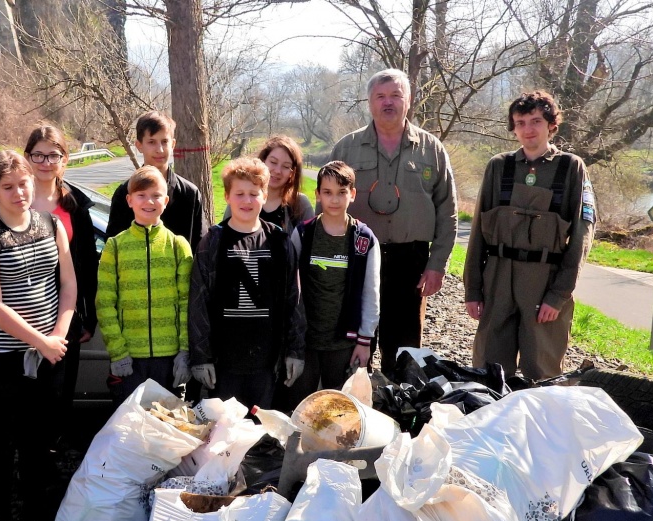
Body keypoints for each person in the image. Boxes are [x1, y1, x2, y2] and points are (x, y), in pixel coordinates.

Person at [0, 150, 76, 521]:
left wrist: (58, 335)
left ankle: (36, 519)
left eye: (24, 183)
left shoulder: (51, 224)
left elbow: (68, 285)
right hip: (2, 355)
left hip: (49, 351)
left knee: (39, 440)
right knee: (3, 438)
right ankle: (1, 519)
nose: (19, 193)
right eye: (8, 186)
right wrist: (40, 341)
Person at [329, 68, 457, 376]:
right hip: (357, 257)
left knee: (403, 350)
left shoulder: (431, 149)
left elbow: (448, 211)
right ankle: (353, 399)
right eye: (380, 96)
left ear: (408, 101)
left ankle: (399, 399)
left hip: (410, 260)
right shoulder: (346, 148)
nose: (388, 102)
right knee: (352, 344)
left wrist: (437, 265)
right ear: (370, 102)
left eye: (396, 96)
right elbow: (327, 205)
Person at [464, 91, 596, 380]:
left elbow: (582, 237)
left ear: (551, 124)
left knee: (543, 373)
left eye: (536, 121)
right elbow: (477, 235)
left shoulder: (571, 168)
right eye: (520, 123)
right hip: (498, 279)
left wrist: (558, 295)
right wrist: (472, 290)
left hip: (544, 281)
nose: (528, 129)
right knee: (488, 371)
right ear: (513, 127)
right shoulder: (498, 166)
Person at [189, 157, 305, 410]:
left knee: (261, 427)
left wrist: (295, 351)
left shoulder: (279, 241)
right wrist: (201, 357)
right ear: (227, 197)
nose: (247, 200)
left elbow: (293, 299)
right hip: (223, 363)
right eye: (239, 194)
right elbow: (199, 303)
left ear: (265, 196)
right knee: (225, 430)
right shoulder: (212, 242)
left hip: (267, 362)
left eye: (254, 194)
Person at [97, 165, 193, 402]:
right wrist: (117, 352)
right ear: (129, 200)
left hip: (169, 359)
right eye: (141, 195)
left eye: (156, 195)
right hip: (129, 358)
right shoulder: (115, 247)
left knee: (167, 422)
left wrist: (184, 351)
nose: (149, 201)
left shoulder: (178, 246)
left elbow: (187, 303)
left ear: (166, 201)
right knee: (129, 422)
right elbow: (105, 302)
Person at [287, 161, 381, 401]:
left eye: (341, 192)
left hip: (344, 343)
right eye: (327, 192)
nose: (335, 200)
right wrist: (290, 341)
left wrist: (365, 341)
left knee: (339, 407)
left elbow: (371, 293)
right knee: (301, 405)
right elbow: (290, 289)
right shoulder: (303, 233)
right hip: (306, 340)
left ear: (353, 194)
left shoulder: (364, 239)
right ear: (317, 194)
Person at [24, 125, 99, 415]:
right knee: (26, 399)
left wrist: (88, 317)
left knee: (59, 397)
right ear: (27, 157)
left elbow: (88, 263)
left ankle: (54, 443)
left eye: (53, 156)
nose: (45, 163)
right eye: (38, 155)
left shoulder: (75, 205)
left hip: (65, 315)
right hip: (23, 311)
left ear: (64, 159)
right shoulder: (16, 199)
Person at [105, 110, 207, 251]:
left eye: (164, 142)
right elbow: (113, 248)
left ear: (173, 144)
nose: (159, 149)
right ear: (139, 146)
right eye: (151, 142)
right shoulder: (125, 193)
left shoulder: (189, 194)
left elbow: (202, 249)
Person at [223, 136, 314, 235]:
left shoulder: (301, 204)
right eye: (273, 162)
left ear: (292, 172)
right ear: (263, 161)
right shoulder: (240, 199)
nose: (278, 171)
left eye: (286, 166)